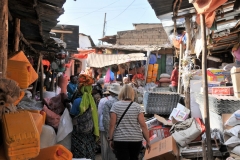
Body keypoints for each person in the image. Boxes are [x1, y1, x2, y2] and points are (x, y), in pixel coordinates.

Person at [108, 84, 151, 160]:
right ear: (132, 94)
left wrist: (110, 139)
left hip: (120, 139)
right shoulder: (137, 106)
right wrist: (148, 141)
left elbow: (112, 124)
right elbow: (143, 125)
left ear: (121, 93)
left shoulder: (115, 106)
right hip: (136, 140)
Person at [70, 74, 99, 159]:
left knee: (80, 155)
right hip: (90, 132)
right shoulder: (92, 100)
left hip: (78, 133)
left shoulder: (77, 101)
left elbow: (72, 114)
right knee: (89, 153)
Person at [101, 83, 121, 160]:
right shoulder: (125, 102)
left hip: (112, 132)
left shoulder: (108, 103)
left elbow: (106, 120)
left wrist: (109, 135)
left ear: (111, 92)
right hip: (122, 133)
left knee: (111, 152)